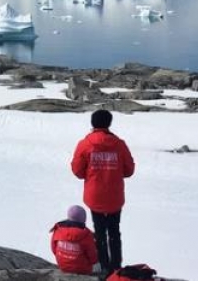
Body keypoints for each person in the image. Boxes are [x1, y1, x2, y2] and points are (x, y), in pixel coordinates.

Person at [71, 109, 135, 274]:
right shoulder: (119, 144)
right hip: (114, 197)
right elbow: (129, 170)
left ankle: (104, 267)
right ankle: (116, 268)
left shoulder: (85, 144)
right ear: (109, 123)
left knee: (99, 232)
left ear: (93, 124)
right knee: (114, 231)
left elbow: (77, 171)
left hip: (95, 196)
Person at [50, 204, 97, 274]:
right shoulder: (87, 235)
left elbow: (54, 250)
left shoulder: (58, 230)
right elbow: (93, 258)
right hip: (83, 269)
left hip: (63, 266)